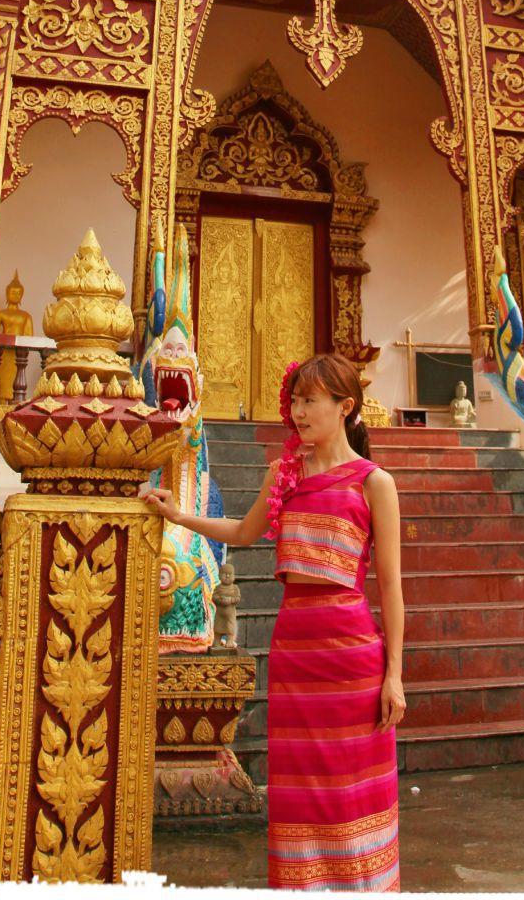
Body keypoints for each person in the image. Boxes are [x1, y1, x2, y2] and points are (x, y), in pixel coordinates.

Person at [142, 352, 404, 891]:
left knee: (354, 785)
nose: (298, 412)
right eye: (296, 401)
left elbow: (392, 589)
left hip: (352, 657)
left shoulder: (375, 483)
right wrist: (178, 515)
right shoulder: (283, 473)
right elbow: (242, 531)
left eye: (311, 401)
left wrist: (395, 673)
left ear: (345, 407)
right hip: (296, 652)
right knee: (301, 786)